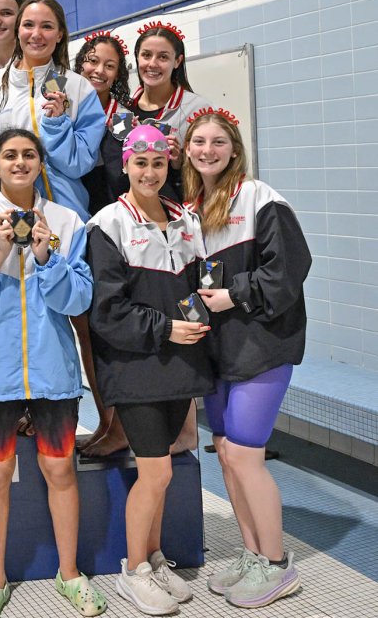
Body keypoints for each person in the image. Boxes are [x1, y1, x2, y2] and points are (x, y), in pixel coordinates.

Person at [0, 128, 107, 618]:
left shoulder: (67, 222)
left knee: (60, 469)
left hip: (53, 371)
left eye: (29, 154)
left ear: (40, 164)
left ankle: (69, 572)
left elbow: (79, 300)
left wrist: (47, 256)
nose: (20, 162)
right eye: (9, 155)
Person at [183, 112, 310, 609]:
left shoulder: (260, 198)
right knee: (224, 449)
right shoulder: (191, 209)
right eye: (199, 141)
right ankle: (254, 553)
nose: (208, 149)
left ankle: (277, 564)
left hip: (262, 343)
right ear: (187, 149)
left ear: (234, 149)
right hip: (219, 347)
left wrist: (234, 294)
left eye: (218, 142)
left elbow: (290, 269)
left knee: (243, 454)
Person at [88, 123, 213, 616]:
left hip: (179, 362)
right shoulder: (109, 223)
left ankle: (155, 558)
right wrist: (165, 329)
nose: (149, 172)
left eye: (158, 163)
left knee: (160, 475)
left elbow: (197, 286)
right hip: (135, 365)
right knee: (156, 472)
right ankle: (134, 569)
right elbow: (106, 312)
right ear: (125, 166)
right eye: (140, 163)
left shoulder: (185, 219)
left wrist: (199, 318)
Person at [0, 0, 105, 221]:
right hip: (4, 217)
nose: (36, 34)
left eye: (47, 26)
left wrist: (57, 126)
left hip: (65, 217)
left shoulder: (79, 89)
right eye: (28, 25)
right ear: (17, 30)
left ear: (60, 34)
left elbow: (79, 164)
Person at [72, 31, 132, 457]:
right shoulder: (61, 107)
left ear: (118, 75)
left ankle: (121, 426)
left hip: (113, 232)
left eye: (109, 65)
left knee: (108, 330)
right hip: (74, 227)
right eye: (92, 61)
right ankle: (106, 420)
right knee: (85, 332)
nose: (99, 70)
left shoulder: (124, 120)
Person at [130, 20, 214, 200]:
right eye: (146, 55)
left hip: (183, 208)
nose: (152, 64)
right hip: (132, 209)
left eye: (163, 57)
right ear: (137, 57)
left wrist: (179, 163)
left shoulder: (198, 110)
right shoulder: (123, 111)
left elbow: (215, 168)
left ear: (177, 61)